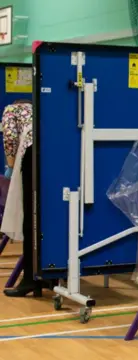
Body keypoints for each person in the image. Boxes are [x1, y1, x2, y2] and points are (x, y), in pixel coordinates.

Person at [2, 99, 44, 297]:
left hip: (30, 153)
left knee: (31, 215)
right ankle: (48, 275)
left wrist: (10, 165)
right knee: (45, 217)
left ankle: (30, 279)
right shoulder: (38, 108)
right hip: (50, 150)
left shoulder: (10, 110)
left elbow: (10, 137)